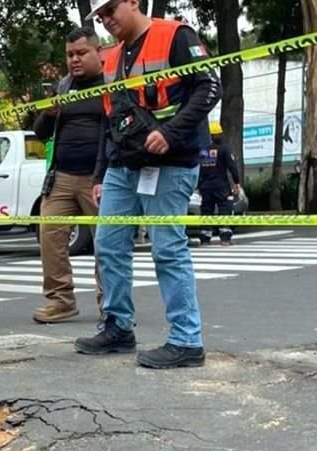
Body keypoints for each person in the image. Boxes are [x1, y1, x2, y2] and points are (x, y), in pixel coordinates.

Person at [75, 0, 220, 369]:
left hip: (171, 161)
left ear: (134, 3)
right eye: (101, 17)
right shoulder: (111, 57)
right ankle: (118, 326)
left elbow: (209, 87)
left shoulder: (174, 35)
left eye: (111, 11)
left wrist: (171, 133)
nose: (107, 21)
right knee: (108, 245)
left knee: (168, 249)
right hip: (124, 164)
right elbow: (112, 120)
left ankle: (187, 341)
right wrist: (100, 174)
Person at [31, 26, 106, 324]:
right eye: (70, 55)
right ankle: (60, 301)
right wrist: (47, 113)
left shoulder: (113, 83)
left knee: (107, 244)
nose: (75, 60)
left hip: (98, 177)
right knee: (49, 236)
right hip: (61, 176)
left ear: (98, 52)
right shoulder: (63, 86)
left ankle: (111, 305)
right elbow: (40, 133)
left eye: (81, 53)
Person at [197, 122, 241, 246]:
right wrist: (236, 182)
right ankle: (225, 238)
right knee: (224, 209)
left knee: (206, 211)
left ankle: (205, 238)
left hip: (206, 186)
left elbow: (200, 169)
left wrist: (199, 186)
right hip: (221, 186)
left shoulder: (203, 151)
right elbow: (232, 166)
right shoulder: (224, 149)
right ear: (219, 135)